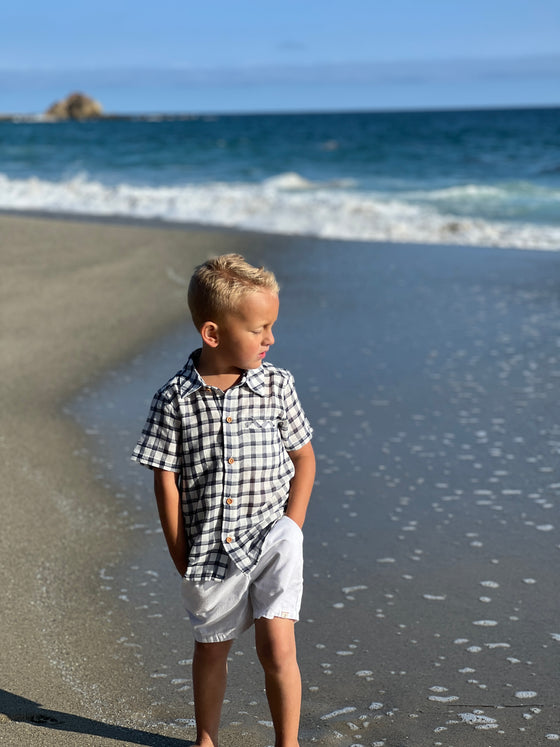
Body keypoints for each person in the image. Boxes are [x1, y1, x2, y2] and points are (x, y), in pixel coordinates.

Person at [132, 253, 315, 747]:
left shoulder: (276, 385)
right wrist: (177, 547)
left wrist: (292, 527)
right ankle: (207, 739)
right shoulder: (173, 399)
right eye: (260, 329)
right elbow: (164, 479)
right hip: (209, 547)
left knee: (277, 644)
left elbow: (305, 459)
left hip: (274, 537)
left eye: (272, 326)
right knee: (212, 647)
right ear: (213, 334)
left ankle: (288, 742)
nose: (270, 339)